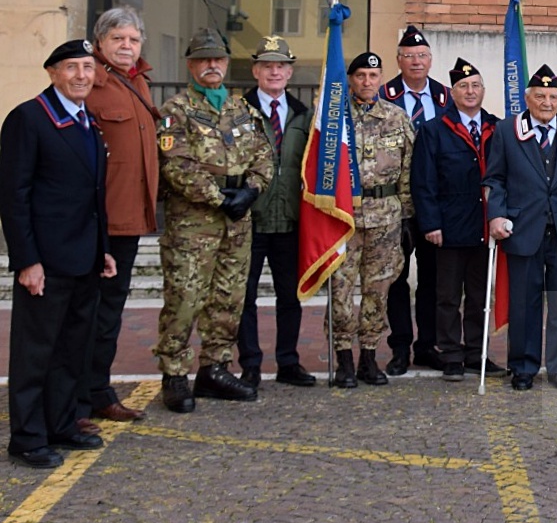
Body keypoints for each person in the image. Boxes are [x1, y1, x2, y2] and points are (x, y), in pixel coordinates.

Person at [2, 40, 115, 468]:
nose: (82, 76)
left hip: (84, 257)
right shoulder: (28, 119)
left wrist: (103, 249)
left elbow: (92, 195)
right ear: (52, 72)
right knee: (36, 352)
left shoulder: (89, 122)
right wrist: (26, 260)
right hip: (46, 262)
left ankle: (62, 424)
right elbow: (14, 196)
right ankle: (28, 438)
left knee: (72, 349)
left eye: (88, 67)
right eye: (73, 67)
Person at [154, 28, 271, 412]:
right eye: (203, 60)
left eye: (217, 60)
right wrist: (219, 198)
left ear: (225, 63)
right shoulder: (177, 110)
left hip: (237, 221)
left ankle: (215, 368)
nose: (211, 66)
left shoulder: (241, 109)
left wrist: (251, 191)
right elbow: (178, 166)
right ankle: (174, 374)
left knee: (229, 298)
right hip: (194, 222)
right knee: (186, 299)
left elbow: (264, 156)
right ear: (191, 65)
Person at [484, 65, 557, 392]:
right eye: (541, 96)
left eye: (553, 97)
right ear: (528, 99)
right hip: (522, 229)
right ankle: (524, 368)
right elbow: (495, 179)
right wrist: (495, 215)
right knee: (524, 304)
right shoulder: (506, 131)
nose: (547, 102)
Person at [82, 8, 157, 424]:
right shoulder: (89, 81)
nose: (127, 46)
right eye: (118, 39)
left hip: (130, 219)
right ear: (101, 42)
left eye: (133, 39)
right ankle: (77, 397)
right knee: (87, 314)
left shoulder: (138, 82)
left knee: (109, 314)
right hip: (98, 222)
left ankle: (97, 390)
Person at [412, 59, 502, 382]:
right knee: (447, 296)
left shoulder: (497, 128)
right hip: (449, 228)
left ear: (483, 90)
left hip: (484, 227)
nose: (470, 91)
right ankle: (450, 353)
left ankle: (476, 353)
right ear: (452, 92)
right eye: (463, 86)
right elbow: (423, 183)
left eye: (475, 85)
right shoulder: (434, 130)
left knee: (479, 297)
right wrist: (431, 224)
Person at [329, 51, 414, 389]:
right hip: (343, 218)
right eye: (361, 75)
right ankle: (343, 360)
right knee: (341, 291)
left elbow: (407, 171)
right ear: (350, 79)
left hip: (386, 219)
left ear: (381, 80)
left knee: (378, 291)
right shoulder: (335, 118)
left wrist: (407, 217)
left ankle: (368, 356)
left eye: (373, 76)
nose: (367, 82)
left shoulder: (396, 117)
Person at [238, 36, 315, 389]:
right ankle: (250, 364)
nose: (274, 71)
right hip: (249, 220)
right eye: (267, 65)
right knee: (245, 296)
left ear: (290, 71)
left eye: (281, 66)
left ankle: (288, 361)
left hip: (290, 220)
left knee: (290, 296)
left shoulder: (303, 114)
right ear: (256, 70)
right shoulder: (239, 111)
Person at [381, 24, 448, 375]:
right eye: (409, 56)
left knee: (433, 280)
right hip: (395, 206)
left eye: (422, 56)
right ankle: (400, 347)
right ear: (399, 60)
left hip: (435, 205)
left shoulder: (446, 97)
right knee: (396, 279)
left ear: (430, 60)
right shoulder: (383, 96)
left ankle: (427, 345)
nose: (416, 62)